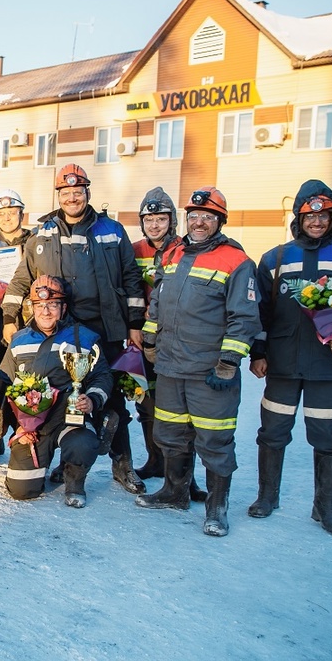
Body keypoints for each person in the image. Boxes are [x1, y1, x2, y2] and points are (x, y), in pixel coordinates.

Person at [247, 180, 332, 536]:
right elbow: (262, 312)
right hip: (282, 364)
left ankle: (325, 508)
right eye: (310, 215)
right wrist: (258, 353)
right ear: (299, 218)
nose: (317, 222)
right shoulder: (275, 258)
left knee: (326, 435)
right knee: (273, 431)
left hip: (329, 366)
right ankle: (267, 496)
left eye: (324, 215)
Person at [3, 164, 147, 494]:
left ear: (87, 194)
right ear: (58, 196)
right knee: (56, 397)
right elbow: (21, 280)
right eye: (65, 192)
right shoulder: (42, 235)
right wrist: (10, 318)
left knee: (109, 400)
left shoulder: (111, 230)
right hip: (57, 327)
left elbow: (131, 278)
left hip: (104, 328)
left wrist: (135, 324)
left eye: (78, 192)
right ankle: (67, 458)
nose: (72, 197)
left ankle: (122, 464)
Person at [137, 187, 261, 537]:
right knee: (170, 433)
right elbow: (157, 304)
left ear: (220, 220)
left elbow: (245, 317)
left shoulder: (236, 261)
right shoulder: (174, 254)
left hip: (210, 372)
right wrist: (149, 339)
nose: (199, 222)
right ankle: (175, 493)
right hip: (171, 367)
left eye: (207, 216)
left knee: (214, 442)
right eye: (194, 216)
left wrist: (229, 361)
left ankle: (216, 509)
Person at [0, 276, 112, 507]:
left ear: (64, 307)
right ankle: (41, 465)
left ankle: (74, 480)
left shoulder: (85, 338)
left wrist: (91, 400)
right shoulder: (18, 340)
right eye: (39, 305)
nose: (46, 311)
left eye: (52, 305)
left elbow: (102, 376)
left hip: (69, 419)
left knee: (81, 444)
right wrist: (18, 425)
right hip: (34, 426)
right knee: (21, 490)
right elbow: (5, 382)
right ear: (32, 307)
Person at [131, 188, 207, 502]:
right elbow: (128, 287)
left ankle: (185, 479)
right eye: (149, 219)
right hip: (141, 337)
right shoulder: (132, 248)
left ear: (172, 221)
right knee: (145, 400)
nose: (155, 225)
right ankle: (155, 459)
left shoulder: (185, 249)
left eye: (161, 218)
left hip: (177, 340)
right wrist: (133, 325)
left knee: (178, 411)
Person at [0, 189, 32, 370]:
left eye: (12, 213)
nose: (7, 218)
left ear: (22, 214)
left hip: (29, 319)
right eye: (1, 214)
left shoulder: (35, 242)